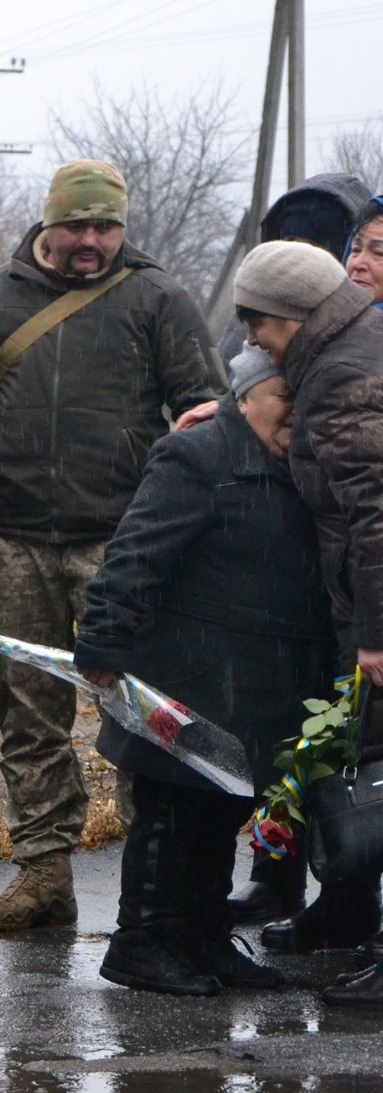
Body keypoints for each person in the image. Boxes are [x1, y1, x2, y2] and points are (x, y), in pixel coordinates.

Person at [0, 159, 226, 931]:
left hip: (126, 545)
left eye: (107, 227)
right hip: (14, 537)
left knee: (141, 718)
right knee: (25, 710)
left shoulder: (158, 297)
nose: (93, 242)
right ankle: (44, 874)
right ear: (49, 224)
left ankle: (154, 886)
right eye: (78, 227)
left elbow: (205, 412)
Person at [74, 346, 335, 995]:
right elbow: (135, 554)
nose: (297, 415)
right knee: (170, 810)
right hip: (186, 674)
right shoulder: (196, 455)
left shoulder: (302, 464)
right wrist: (102, 644)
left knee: (224, 809)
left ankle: (203, 937)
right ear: (244, 396)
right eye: (286, 400)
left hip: (258, 679)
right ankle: (141, 941)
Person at [223, 242, 383, 997]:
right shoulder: (346, 348)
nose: (254, 340)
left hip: (374, 609)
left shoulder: (344, 372)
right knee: (357, 759)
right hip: (354, 601)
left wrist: (377, 635)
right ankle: (348, 917)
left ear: (291, 314)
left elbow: (377, 517)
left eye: (258, 325)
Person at [216, 173, 375, 362]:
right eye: (289, 243)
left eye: (314, 248)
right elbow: (217, 386)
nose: (297, 257)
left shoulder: (366, 334)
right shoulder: (250, 320)